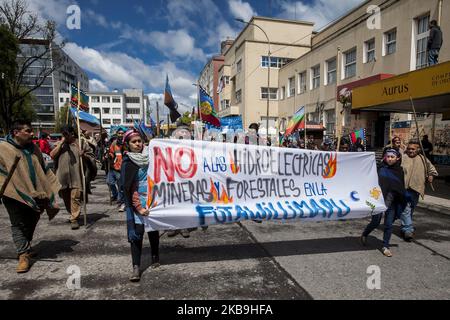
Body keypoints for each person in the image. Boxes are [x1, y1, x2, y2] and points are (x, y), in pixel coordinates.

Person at [0, 121, 60, 273]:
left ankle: (26, 244)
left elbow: (42, 168)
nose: (32, 134)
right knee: (18, 222)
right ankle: (23, 254)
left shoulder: (33, 148)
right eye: (28, 131)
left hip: (36, 192)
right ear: (16, 132)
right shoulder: (3, 148)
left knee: (34, 216)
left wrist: (49, 188)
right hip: (12, 192)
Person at [121, 129, 159, 282]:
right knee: (137, 235)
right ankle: (136, 266)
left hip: (154, 201)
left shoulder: (152, 156)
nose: (137, 144)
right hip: (138, 204)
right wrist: (139, 207)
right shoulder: (128, 162)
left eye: (139, 141)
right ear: (128, 145)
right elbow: (129, 189)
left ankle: (155, 256)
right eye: (133, 142)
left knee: (153, 230)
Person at [360, 148, 406, 257]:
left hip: (393, 201)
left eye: (392, 157)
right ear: (385, 157)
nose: (389, 159)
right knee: (376, 222)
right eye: (388, 156)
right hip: (378, 200)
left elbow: (400, 186)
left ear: (397, 158)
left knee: (388, 224)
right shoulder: (379, 168)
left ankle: (385, 246)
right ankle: (365, 234)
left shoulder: (400, 171)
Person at [50, 126, 95, 230]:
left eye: (66, 134)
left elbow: (91, 156)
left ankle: (74, 219)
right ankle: (72, 213)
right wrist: (61, 143)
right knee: (66, 198)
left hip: (77, 176)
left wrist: (83, 155)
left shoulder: (81, 143)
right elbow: (52, 155)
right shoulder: (60, 144)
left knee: (76, 197)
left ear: (72, 134)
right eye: (63, 134)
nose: (65, 136)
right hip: (62, 177)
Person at [399, 140, 438, 241]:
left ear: (418, 149)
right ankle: (408, 229)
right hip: (404, 188)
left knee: (411, 208)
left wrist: (430, 175)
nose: (410, 151)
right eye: (409, 149)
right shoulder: (403, 157)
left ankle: (404, 227)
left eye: (413, 149)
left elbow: (432, 169)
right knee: (405, 209)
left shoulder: (423, 158)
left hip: (416, 188)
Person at [107, 129, 125, 211]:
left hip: (121, 168)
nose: (121, 135)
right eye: (119, 133)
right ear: (117, 134)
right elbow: (111, 152)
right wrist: (109, 155)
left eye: (122, 133)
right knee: (109, 182)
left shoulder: (126, 143)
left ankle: (122, 202)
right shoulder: (114, 143)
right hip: (113, 167)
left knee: (121, 187)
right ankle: (115, 195)